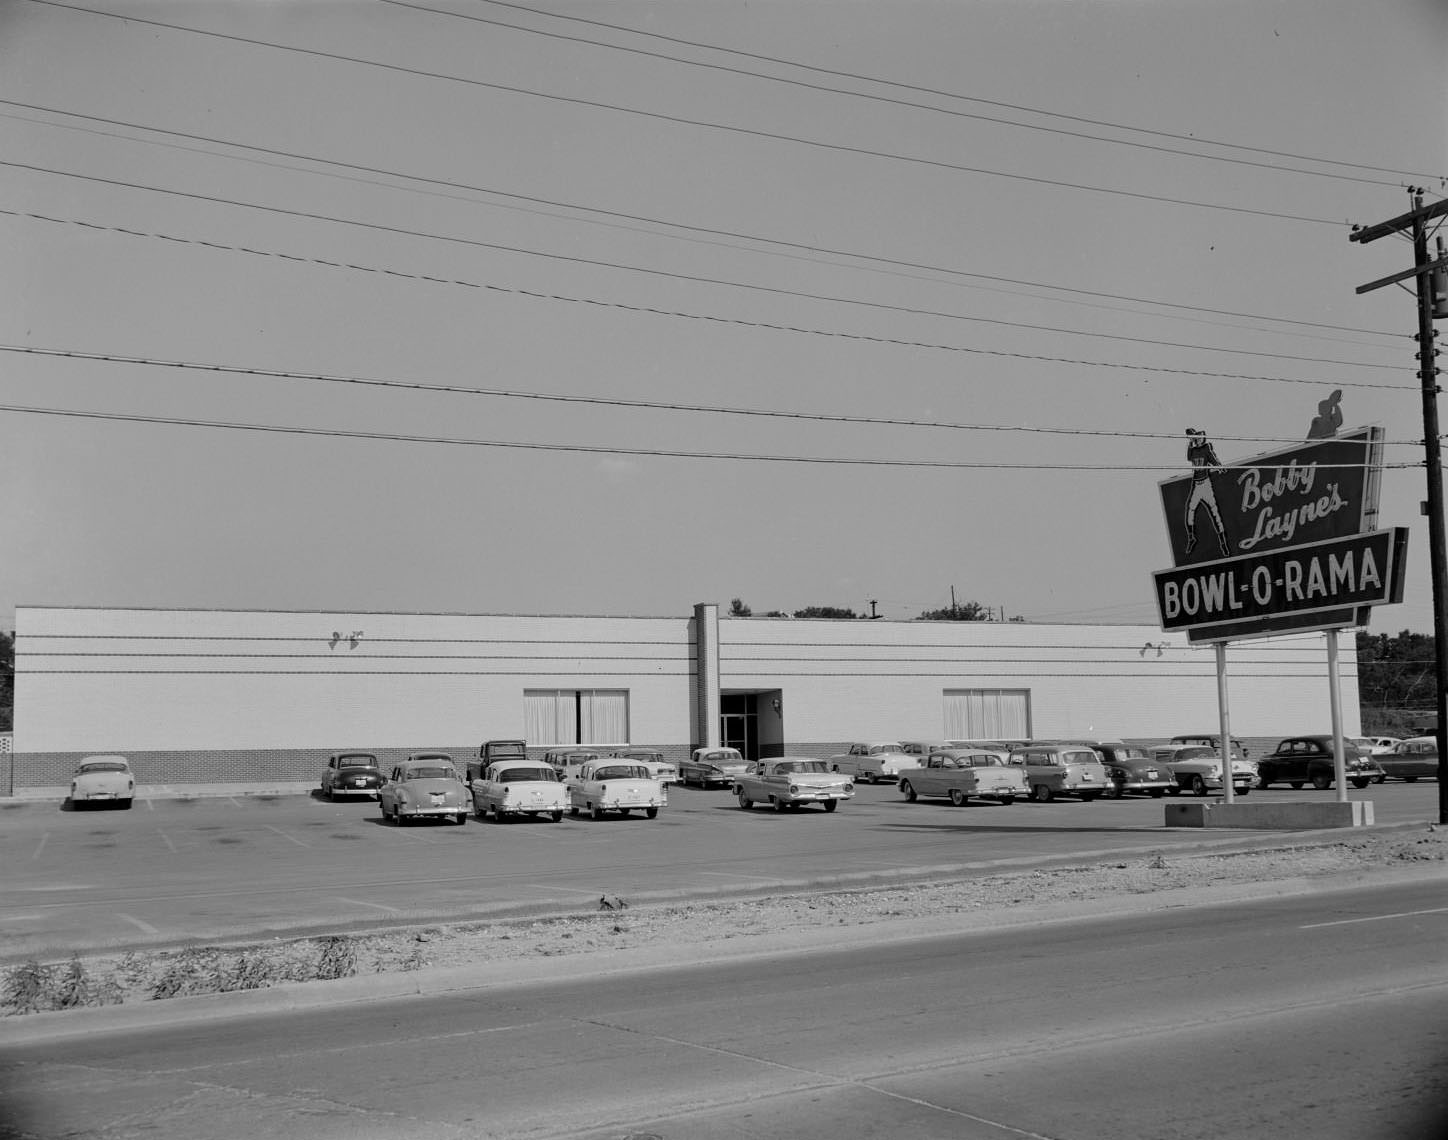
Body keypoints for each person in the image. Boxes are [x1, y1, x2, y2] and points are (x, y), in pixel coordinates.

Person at [1183, 428, 1229, 556]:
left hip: (1205, 483)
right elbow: (1188, 457)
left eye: (1199, 438)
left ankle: (1223, 543)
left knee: (1215, 513)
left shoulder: (1206, 448)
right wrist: (1190, 441)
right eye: (1196, 438)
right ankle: (1191, 536)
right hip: (1197, 484)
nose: (1198, 440)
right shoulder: (1193, 450)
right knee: (1190, 509)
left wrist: (1220, 468)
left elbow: (1213, 459)